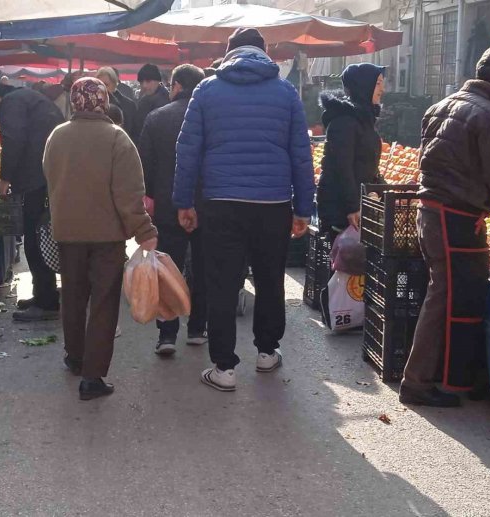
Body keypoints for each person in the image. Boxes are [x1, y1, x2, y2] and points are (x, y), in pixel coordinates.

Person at [174, 27, 314, 392]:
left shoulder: (206, 90)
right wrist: (303, 208)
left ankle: (224, 368)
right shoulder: (286, 92)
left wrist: (184, 202)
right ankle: (267, 352)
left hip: (221, 204)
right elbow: (301, 154)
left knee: (222, 282)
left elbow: (187, 151)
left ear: (229, 51)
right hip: (273, 205)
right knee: (269, 279)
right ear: (265, 53)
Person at [400, 47, 490, 407]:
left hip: (433, 211)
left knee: (456, 296)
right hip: (456, 218)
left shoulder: (442, 105)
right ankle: (418, 382)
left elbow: (429, 157)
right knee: (446, 298)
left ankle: (456, 377)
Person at [43, 77, 157, 400]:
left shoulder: (57, 137)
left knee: (73, 297)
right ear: (103, 102)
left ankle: (74, 356)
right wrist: (144, 232)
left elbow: (49, 176)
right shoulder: (117, 139)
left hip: (68, 234)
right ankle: (92, 377)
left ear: (75, 102)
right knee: (104, 302)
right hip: (107, 237)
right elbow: (129, 193)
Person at [138, 64, 207, 356]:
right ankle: (197, 328)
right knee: (203, 269)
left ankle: (167, 334)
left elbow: (145, 166)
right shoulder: (210, 118)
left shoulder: (156, 118)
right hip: (206, 205)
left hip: (167, 206)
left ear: (176, 85)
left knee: (167, 269)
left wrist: (150, 198)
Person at [0, 83, 66, 322]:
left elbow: (14, 139)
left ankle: (46, 301)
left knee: (34, 237)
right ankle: (43, 293)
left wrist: (5, 178)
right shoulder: (31, 97)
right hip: (46, 172)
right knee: (39, 235)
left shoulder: (11, 102)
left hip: (34, 178)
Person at [317, 63, 386, 242]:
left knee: (353, 264)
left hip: (357, 204)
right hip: (341, 208)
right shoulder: (344, 122)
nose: (382, 89)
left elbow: (365, 164)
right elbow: (343, 168)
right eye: (378, 83)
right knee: (346, 262)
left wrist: (381, 187)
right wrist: (352, 207)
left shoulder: (363, 119)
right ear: (364, 86)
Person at [132, 63, 169, 142]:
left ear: (158, 81)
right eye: (141, 82)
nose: (144, 85)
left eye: (148, 81)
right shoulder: (143, 101)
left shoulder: (167, 100)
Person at [96, 67, 136, 136]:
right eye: (99, 85)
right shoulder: (92, 104)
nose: (102, 88)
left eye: (106, 85)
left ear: (114, 84)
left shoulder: (129, 106)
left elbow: (133, 133)